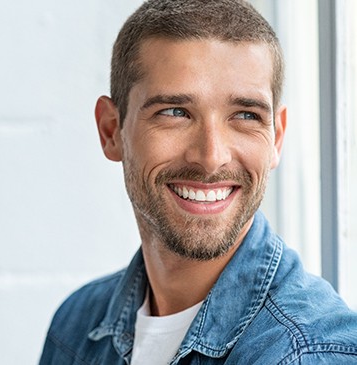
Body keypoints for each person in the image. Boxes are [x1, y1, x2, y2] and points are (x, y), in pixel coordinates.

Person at [39, 0, 357, 363]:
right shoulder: (76, 327)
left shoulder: (306, 353)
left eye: (245, 115)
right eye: (175, 113)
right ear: (112, 131)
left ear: (276, 138)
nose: (210, 157)